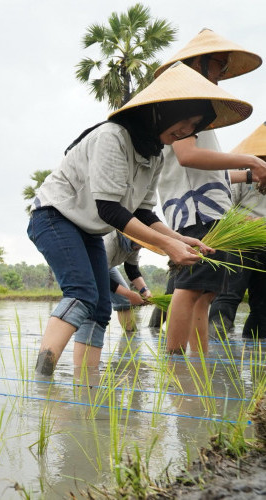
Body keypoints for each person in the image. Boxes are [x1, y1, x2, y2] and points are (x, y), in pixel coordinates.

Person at [27, 61, 252, 376]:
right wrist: (166, 246)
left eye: (194, 126)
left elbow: (143, 212)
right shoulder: (113, 136)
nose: (187, 132)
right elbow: (111, 209)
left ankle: (86, 382)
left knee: (102, 307)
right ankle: (43, 377)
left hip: (88, 229)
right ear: (163, 112)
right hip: (54, 216)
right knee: (81, 293)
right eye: (184, 122)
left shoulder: (155, 154)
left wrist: (178, 238)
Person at [154, 29, 266, 354]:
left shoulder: (199, 108)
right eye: (219, 64)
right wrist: (249, 160)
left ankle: (199, 366)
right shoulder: (185, 102)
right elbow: (187, 156)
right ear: (200, 63)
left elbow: (211, 174)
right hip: (195, 213)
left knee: (205, 294)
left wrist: (248, 172)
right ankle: (175, 367)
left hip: (210, 211)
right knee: (189, 289)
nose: (222, 73)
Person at [209, 121, 266, 339]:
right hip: (241, 243)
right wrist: (249, 221)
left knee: (262, 305)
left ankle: (256, 360)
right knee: (228, 297)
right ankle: (213, 354)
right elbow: (223, 209)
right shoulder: (245, 174)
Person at [103, 231, 152, 333]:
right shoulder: (109, 241)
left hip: (106, 266)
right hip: (88, 266)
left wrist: (145, 291)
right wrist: (129, 294)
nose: (140, 248)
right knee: (91, 303)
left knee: (124, 299)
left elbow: (132, 270)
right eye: (140, 245)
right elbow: (100, 276)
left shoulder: (135, 244)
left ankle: (130, 337)